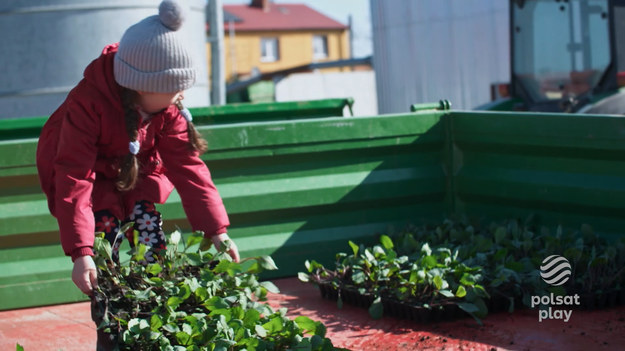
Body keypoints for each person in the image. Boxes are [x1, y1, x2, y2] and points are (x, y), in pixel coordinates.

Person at [36, 0, 239, 298]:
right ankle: (110, 313)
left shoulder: (167, 109)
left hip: (137, 174)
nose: (181, 95)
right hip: (93, 181)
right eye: (174, 87)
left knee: (148, 232)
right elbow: (74, 175)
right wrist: (81, 252)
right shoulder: (88, 104)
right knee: (104, 245)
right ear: (141, 86)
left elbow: (189, 167)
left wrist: (216, 230)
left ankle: (152, 301)